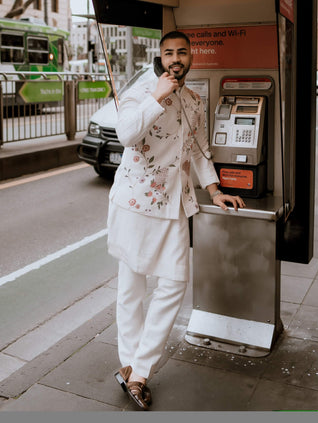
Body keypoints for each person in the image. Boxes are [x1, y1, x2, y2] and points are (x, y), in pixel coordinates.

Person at [107, 31, 245, 410]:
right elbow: (126, 134)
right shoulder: (140, 92)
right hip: (135, 204)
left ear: (191, 57)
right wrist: (157, 96)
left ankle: (139, 369)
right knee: (131, 287)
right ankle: (132, 366)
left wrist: (215, 190)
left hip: (173, 206)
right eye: (168, 53)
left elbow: (199, 153)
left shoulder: (195, 101)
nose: (175, 59)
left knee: (174, 284)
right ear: (160, 57)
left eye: (182, 52)